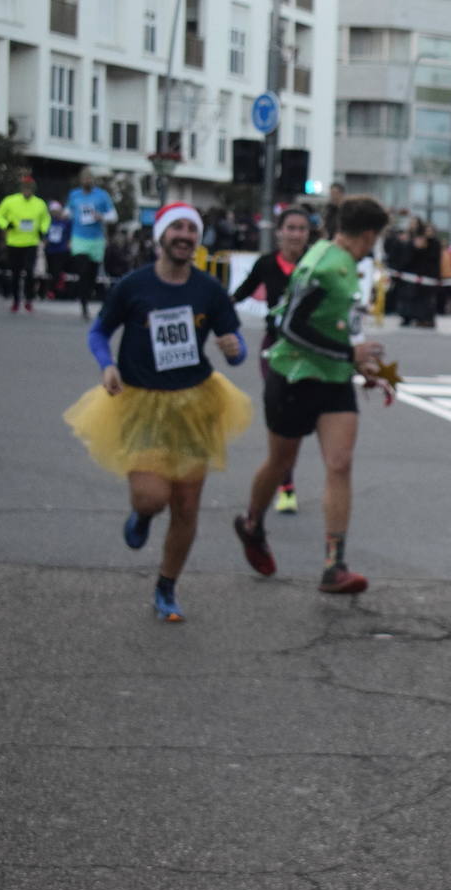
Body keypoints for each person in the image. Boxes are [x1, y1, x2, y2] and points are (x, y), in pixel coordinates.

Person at [62, 202, 251, 622]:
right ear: (161, 236)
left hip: (194, 402)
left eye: (192, 229)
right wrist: (106, 364)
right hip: (141, 400)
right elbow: (99, 331)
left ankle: (167, 586)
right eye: (176, 227)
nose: (185, 235)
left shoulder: (208, 290)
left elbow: (234, 343)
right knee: (153, 497)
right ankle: (143, 514)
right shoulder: (133, 286)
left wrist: (236, 349)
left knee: (186, 505)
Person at [232, 195, 392, 595]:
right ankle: (252, 524)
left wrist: (360, 364)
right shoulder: (322, 265)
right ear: (369, 235)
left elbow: (337, 326)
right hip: (293, 374)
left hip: (334, 377)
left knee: (340, 463)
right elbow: (288, 325)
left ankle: (334, 566)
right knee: (280, 460)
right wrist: (347, 353)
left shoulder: (345, 264)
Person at [230, 207, 312, 514]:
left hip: (307, 353)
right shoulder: (266, 264)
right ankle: (286, 486)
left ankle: (284, 474)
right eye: (290, 228)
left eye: (301, 229)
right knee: (281, 417)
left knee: (299, 420)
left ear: (308, 234)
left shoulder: (314, 264)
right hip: (274, 349)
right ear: (279, 232)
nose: (295, 234)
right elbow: (239, 295)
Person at [0, 174, 50, 313]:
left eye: (29, 189)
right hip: (14, 242)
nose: (27, 191)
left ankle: (29, 299)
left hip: (31, 242)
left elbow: (46, 219)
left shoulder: (40, 203)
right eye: (25, 188)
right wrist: (6, 224)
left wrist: (43, 230)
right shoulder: (10, 201)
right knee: (15, 273)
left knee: (30, 272)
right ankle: (16, 300)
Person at [66, 167, 119, 320]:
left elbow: (113, 216)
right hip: (79, 238)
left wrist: (100, 216)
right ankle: (83, 304)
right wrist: (62, 214)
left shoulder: (102, 196)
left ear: (93, 180)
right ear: (81, 180)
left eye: (90, 178)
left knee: (91, 273)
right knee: (82, 270)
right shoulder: (74, 195)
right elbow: (68, 212)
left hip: (96, 240)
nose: (87, 181)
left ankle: (87, 297)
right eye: (84, 178)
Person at [41, 201, 72, 300]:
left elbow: (69, 234)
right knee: (50, 271)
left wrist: (69, 244)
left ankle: (53, 291)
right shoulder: (49, 221)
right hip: (50, 249)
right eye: (53, 211)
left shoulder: (66, 222)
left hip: (61, 249)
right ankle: (50, 290)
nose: (55, 213)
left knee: (57, 270)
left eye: (56, 211)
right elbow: (45, 234)